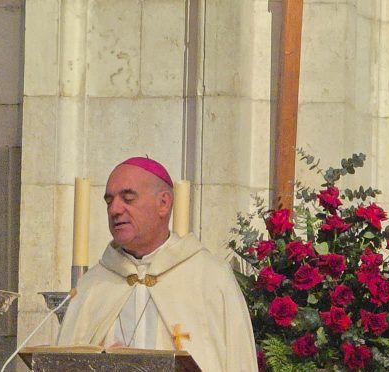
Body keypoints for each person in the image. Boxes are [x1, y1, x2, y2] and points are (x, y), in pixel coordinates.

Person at [57, 157, 258, 372]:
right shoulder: (92, 285)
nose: (114, 209)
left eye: (128, 198)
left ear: (163, 203)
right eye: (109, 201)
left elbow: (239, 363)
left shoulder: (210, 277)